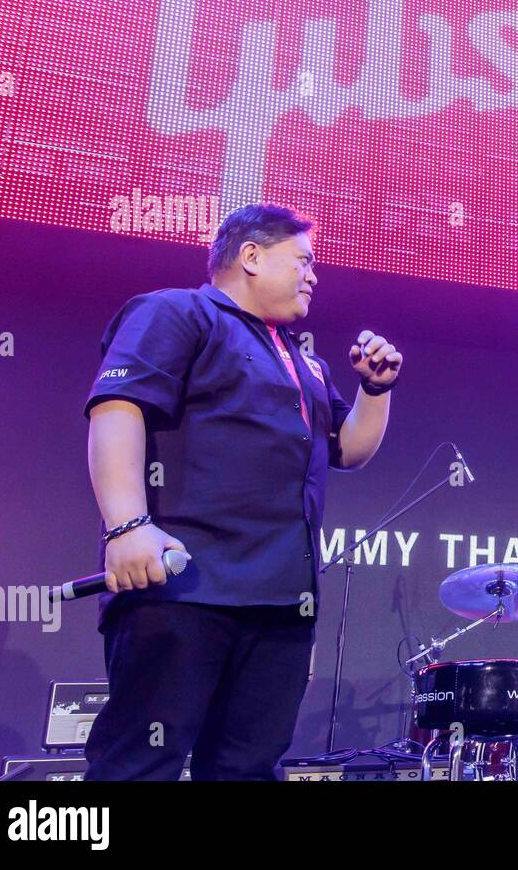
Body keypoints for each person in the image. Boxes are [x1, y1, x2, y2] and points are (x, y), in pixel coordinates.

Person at [83, 204, 402, 779]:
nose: (314, 275)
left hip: (281, 605)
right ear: (251, 256)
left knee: (246, 768)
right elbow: (117, 408)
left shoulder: (304, 361)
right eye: (303, 260)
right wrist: (127, 526)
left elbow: (347, 451)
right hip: (182, 589)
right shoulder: (176, 312)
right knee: (140, 763)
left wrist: (374, 390)